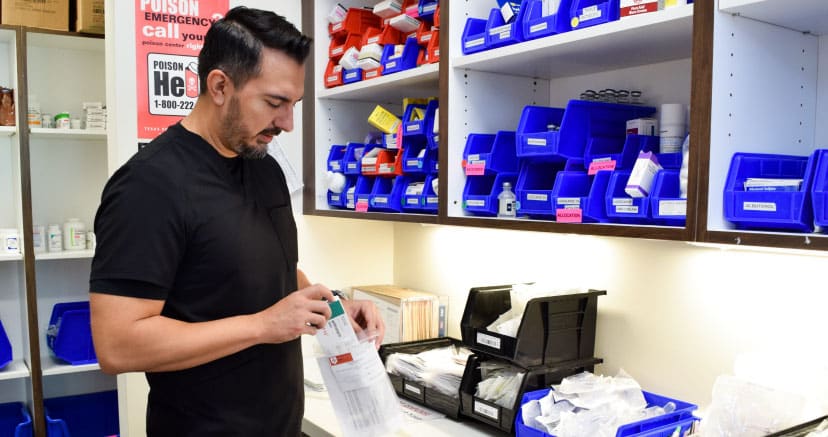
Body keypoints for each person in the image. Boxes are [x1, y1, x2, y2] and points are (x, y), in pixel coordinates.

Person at [88, 7, 384, 435]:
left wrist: (334, 307)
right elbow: (117, 345)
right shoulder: (148, 186)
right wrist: (263, 326)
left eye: (294, 104)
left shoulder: (263, 166)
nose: (286, 123)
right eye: (274, 103)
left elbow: (269, 266)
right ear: (220, 86)